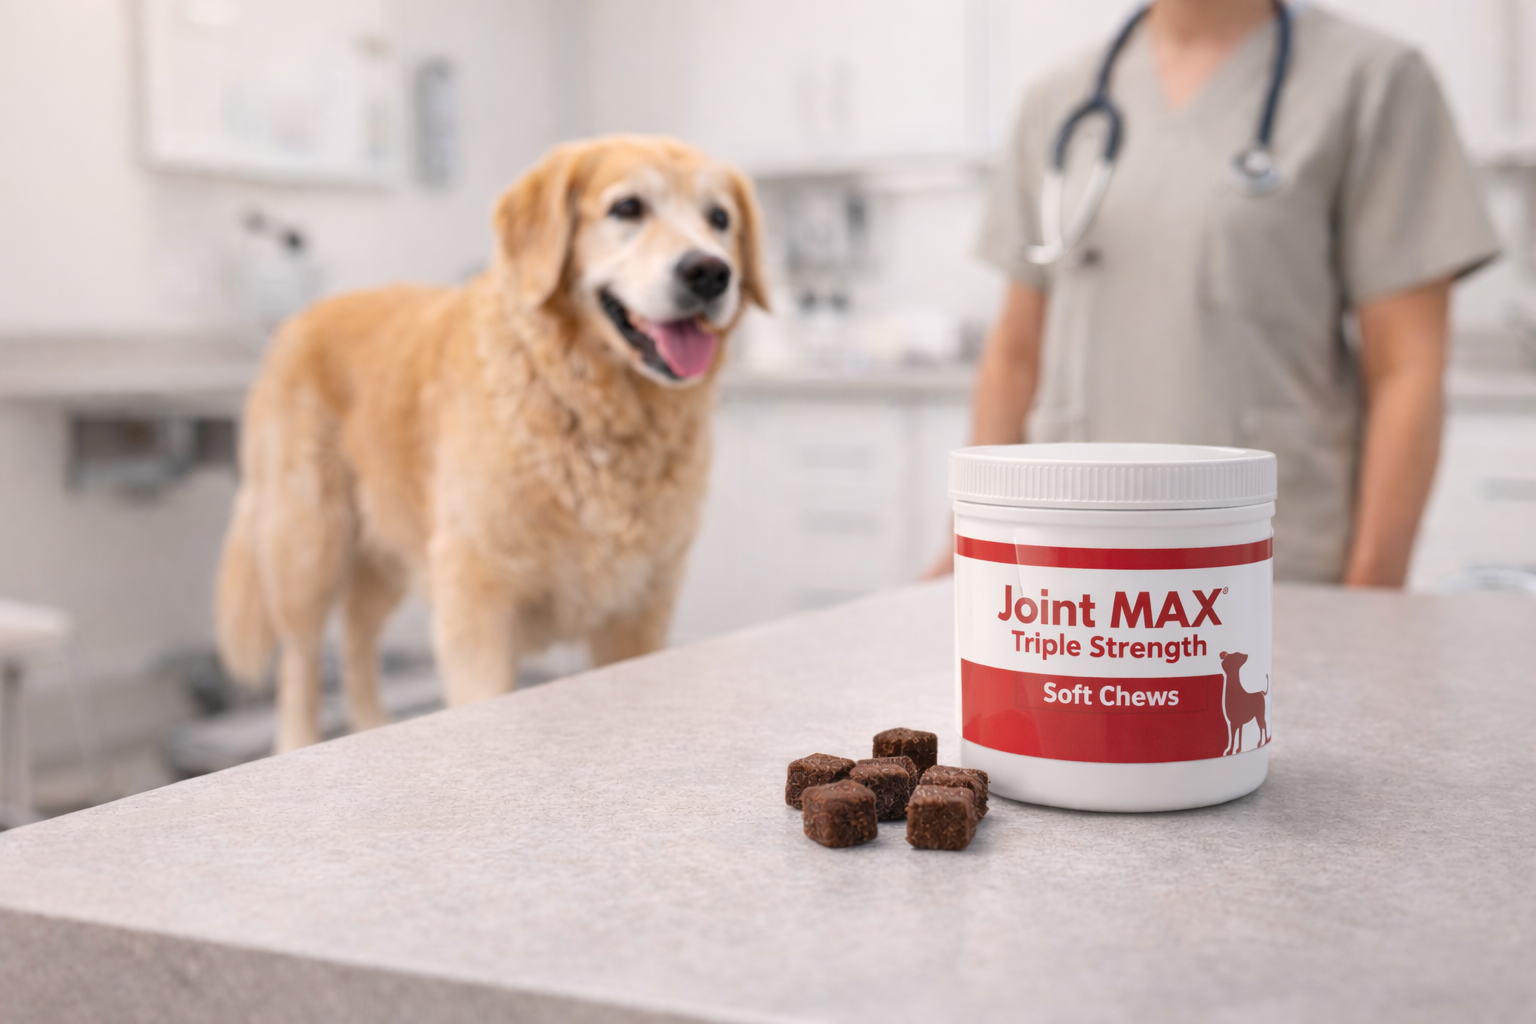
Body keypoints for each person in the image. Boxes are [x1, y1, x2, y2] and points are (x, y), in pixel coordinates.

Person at [951, 0, 1499, 585]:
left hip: (1270, 564)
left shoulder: (1374, 80)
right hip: (1063, 558)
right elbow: (1014, 355)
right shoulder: (1058, 99)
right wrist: (967, 554)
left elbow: (1407, 369)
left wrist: (1374, 588)